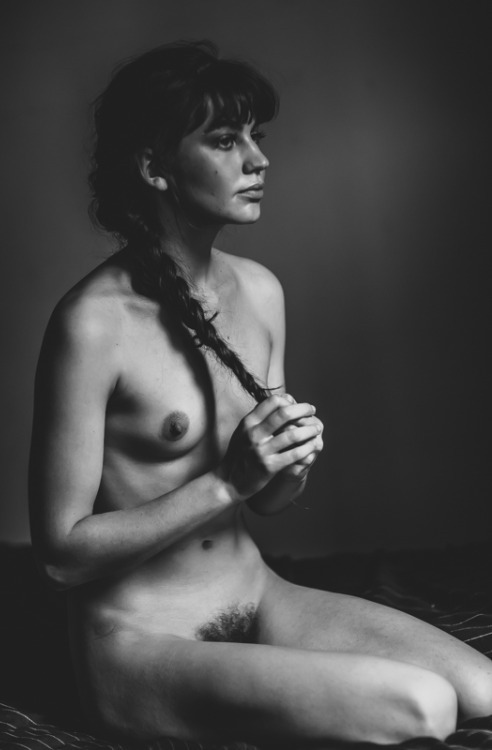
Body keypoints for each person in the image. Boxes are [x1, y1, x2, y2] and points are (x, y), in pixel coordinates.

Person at [28, 40, 492, 746]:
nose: (258, 160)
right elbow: (60, 557)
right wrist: (226, 481)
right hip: (144, 641)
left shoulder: (260, 291)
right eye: (224, 141)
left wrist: (289, 463)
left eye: (256, 137)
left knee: (484, 692)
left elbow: (268, 501)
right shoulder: (92, 324)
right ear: (153, 167)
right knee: (424, 707)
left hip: (256, 593)